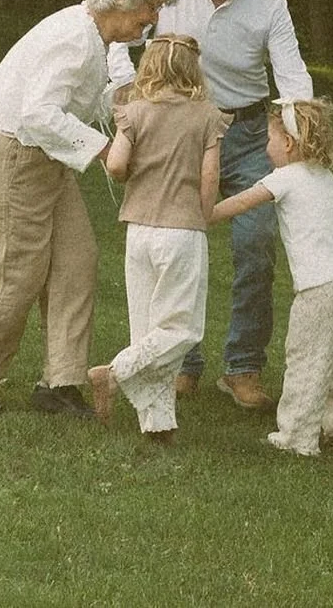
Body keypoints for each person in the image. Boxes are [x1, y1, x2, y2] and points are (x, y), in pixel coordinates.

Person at [0, 0, 176, 419]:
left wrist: (131, 108)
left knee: (76, 261)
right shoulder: (72, 36)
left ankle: (60, 383)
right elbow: (38, 113)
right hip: (12, 156)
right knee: (18, 271)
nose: (153, 18)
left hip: (44, 160)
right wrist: (106, 149)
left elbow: (98, 91)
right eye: (150, 6)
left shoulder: (99, 37)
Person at [107, 0, 312, 411]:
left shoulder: (269, 0)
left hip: (245, 133)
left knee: (256, 243)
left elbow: (291, 73)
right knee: (180, 249)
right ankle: (181, 363)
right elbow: (118, 35)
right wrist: (123, 89)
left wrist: (301, 133)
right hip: (177, 133)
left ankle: (242, 367)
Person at [210, 97, 333, 457]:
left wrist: (198, 215)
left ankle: (297, 436)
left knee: (303, 356)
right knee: (325, 352)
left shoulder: (283, 178)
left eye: (269, 138)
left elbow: (240, 203)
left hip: (318, 287)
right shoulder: (326, 178)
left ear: (287, 143)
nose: (265, 147)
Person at [88, 34, 224, 443]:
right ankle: (114, 373)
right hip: (182, 232)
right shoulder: (207, 116)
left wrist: (131, 173)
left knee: (146, 326)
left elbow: (115, 166)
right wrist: (204, 215)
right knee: (182, 329)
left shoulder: (134, 112)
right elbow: (210, 176)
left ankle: (158, 423)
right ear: (192, 69)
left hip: (139, 230)